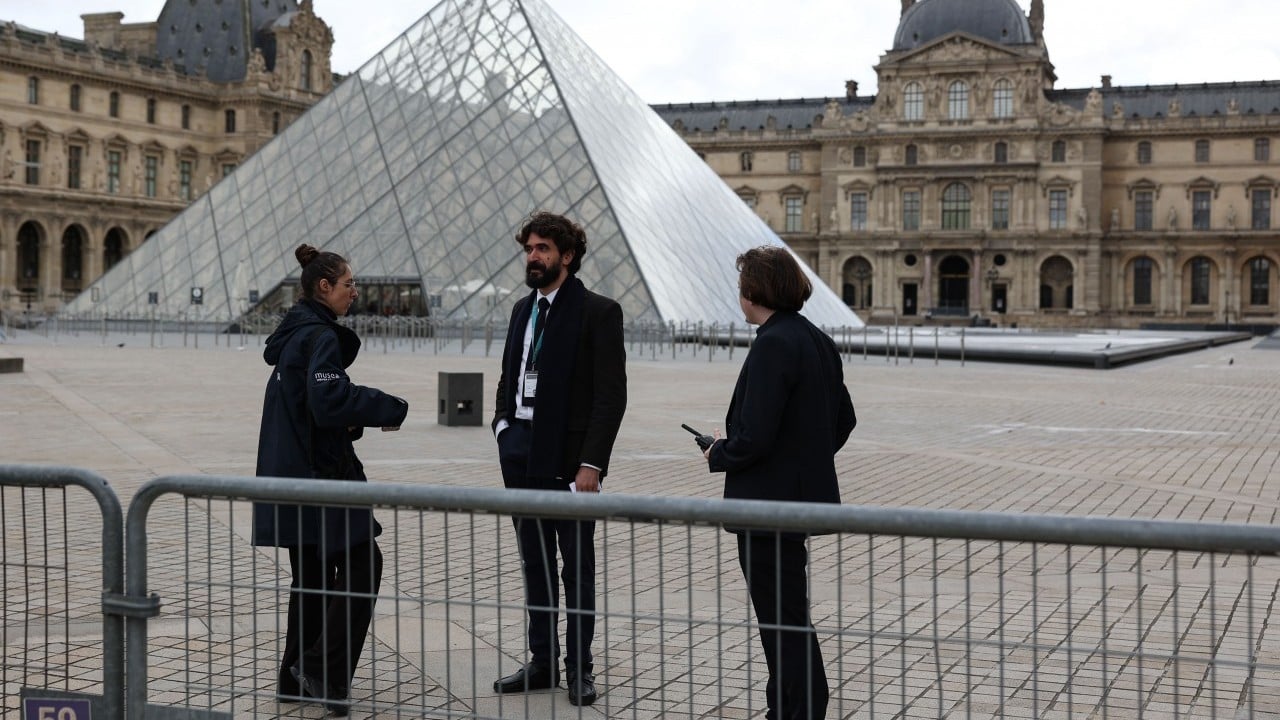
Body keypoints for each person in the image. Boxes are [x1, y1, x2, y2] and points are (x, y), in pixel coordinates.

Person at [253, 244, 409, 717]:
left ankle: (293, 677)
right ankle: (323, 669)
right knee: (365, 566)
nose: (354, 293)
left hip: (290, 475)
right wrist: (389, 407)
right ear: (324, 287)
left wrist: (350, 421)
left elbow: (311, 407)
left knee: (314, 578)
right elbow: (329, 399)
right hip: (322, 477)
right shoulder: (319, 335)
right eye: (348, 285)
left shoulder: (295, 334)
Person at [702, 246, 856, 720]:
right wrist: (804, 459)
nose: (739, 295)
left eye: (742, 284)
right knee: (787, 613)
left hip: (764, 504)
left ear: (755, 289)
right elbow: (844, 420)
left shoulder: (772, 343)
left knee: (781, 619)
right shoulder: (816, 338)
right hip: (797, 500)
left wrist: (718, 452)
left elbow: (755, 436)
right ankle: (787, 706)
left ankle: (801, 709)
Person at [491, 211, 627, 707]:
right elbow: (509, 375)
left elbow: (610, 398)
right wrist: (503, 426)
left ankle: (580, 668)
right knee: (535, 565)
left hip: (571, 463)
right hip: (521, 452)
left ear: (566, 256)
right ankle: (543, 661)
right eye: (529, 248)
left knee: (577, 570)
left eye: (543, 248)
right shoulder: (521, 311)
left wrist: (592, 464)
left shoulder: (598, 312)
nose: (533, 257)